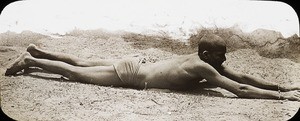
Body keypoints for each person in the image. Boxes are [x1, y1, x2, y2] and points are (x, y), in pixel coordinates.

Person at [5, 34, 300, 101]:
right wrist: (282, 99)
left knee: (81, 62)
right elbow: (241, 89)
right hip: (130, 74)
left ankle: (37, 50)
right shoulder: (205, 68)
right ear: (208, 54)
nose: (224, 61)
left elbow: (241, 76)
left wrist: (282, 86)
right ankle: (30, 60)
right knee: (75, 73)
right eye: (221, 56)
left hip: (140, 64)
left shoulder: (202, 60)